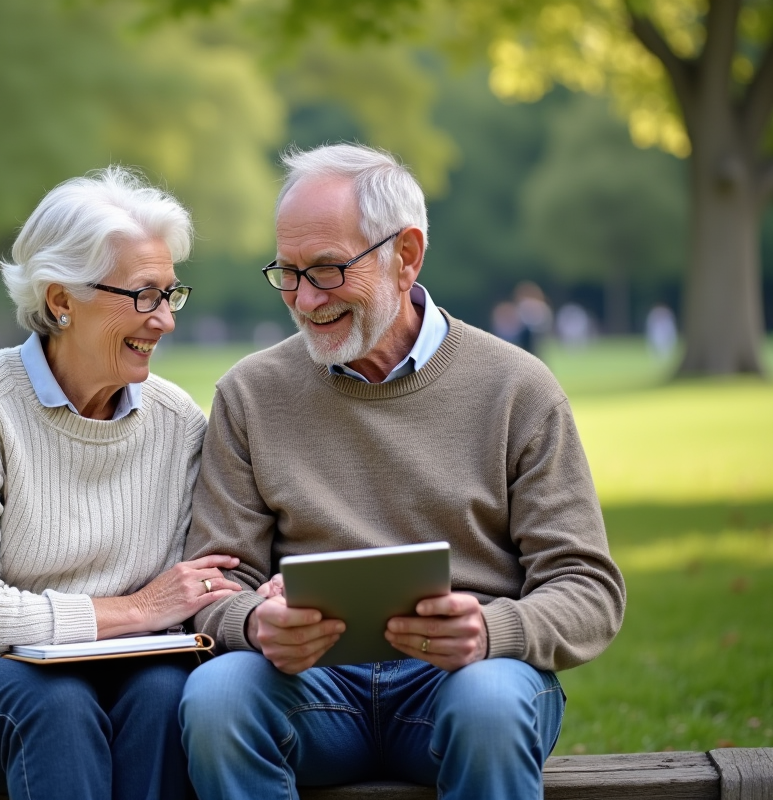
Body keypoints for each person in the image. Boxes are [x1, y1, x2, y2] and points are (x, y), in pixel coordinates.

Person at [179, 144, 626, 800]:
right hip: (310, 689)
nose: (304, 300)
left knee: (490, 705)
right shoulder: (250, 393)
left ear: (407, 255)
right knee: (217, 696)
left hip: (467, 681)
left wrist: (494, 630)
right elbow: (215, 582)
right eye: (288, 273)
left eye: (328, 270)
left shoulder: (516, 388)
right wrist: (252, 622)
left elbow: (588, 589)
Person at [0, 166, 243, 800]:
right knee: (55, 705)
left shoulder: (179, 422)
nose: (164, 321)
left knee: (168, 693)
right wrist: (135, 611)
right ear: (61, 300)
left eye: (170, 295)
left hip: (116, 677)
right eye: (142, 295)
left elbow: (190, 601)